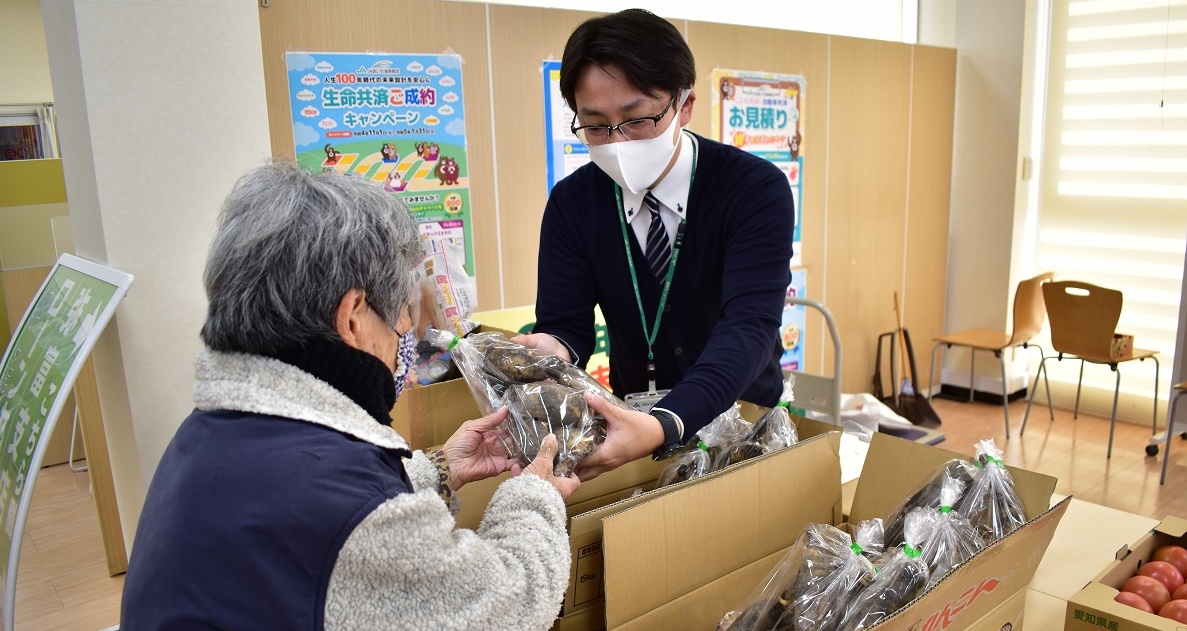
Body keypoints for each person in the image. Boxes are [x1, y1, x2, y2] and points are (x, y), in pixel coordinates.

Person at [120, 162, 579, 630]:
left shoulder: (210, 432)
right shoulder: (347, 512)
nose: (407, 334)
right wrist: (534, 494)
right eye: (403, 313)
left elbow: (313, 529)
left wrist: (436, 471)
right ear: (354, 316)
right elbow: (511, 603)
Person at [515, 8, 793, 481]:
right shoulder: (573, 203)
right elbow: (567, 326)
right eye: (596, 125)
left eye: (637, 117)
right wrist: (550, 349)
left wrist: (667, 420)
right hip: (632, 426)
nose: (617, 141)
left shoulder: (753, 188)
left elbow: (748, 326)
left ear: (684, 105)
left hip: (746, 423)